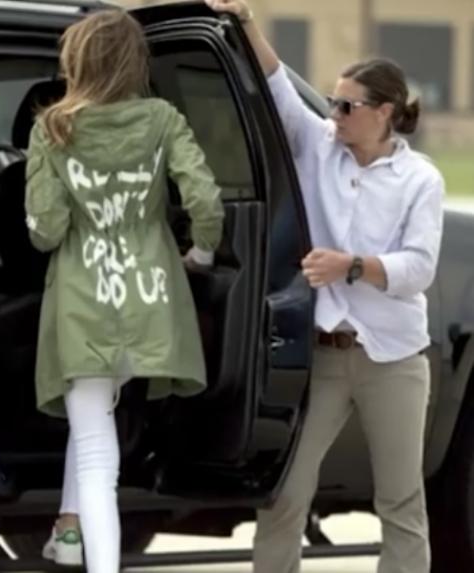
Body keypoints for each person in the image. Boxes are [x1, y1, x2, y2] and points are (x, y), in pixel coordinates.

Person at [204, 1, 444, 572]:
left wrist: (350, 266)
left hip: (394, 359)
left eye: (346, 105)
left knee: (400, 500)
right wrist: (246, 22)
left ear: (384, 113)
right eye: (332, 102)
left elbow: (418, 269)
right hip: (324, 357)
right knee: (284, 494)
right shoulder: (319, 145)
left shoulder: (420, 179)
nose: (333, 114)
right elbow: (277, 84)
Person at [24, 9, 224, 573]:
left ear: (77, 62)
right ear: (136, 62)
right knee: (95, 424)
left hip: (83, 306)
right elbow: (206, 200)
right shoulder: (162, 119)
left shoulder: (52, 129)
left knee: (94, 447)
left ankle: (100, 563)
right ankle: (68, 532)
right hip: (150, 300)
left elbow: (45, 232)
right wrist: (202, 253)